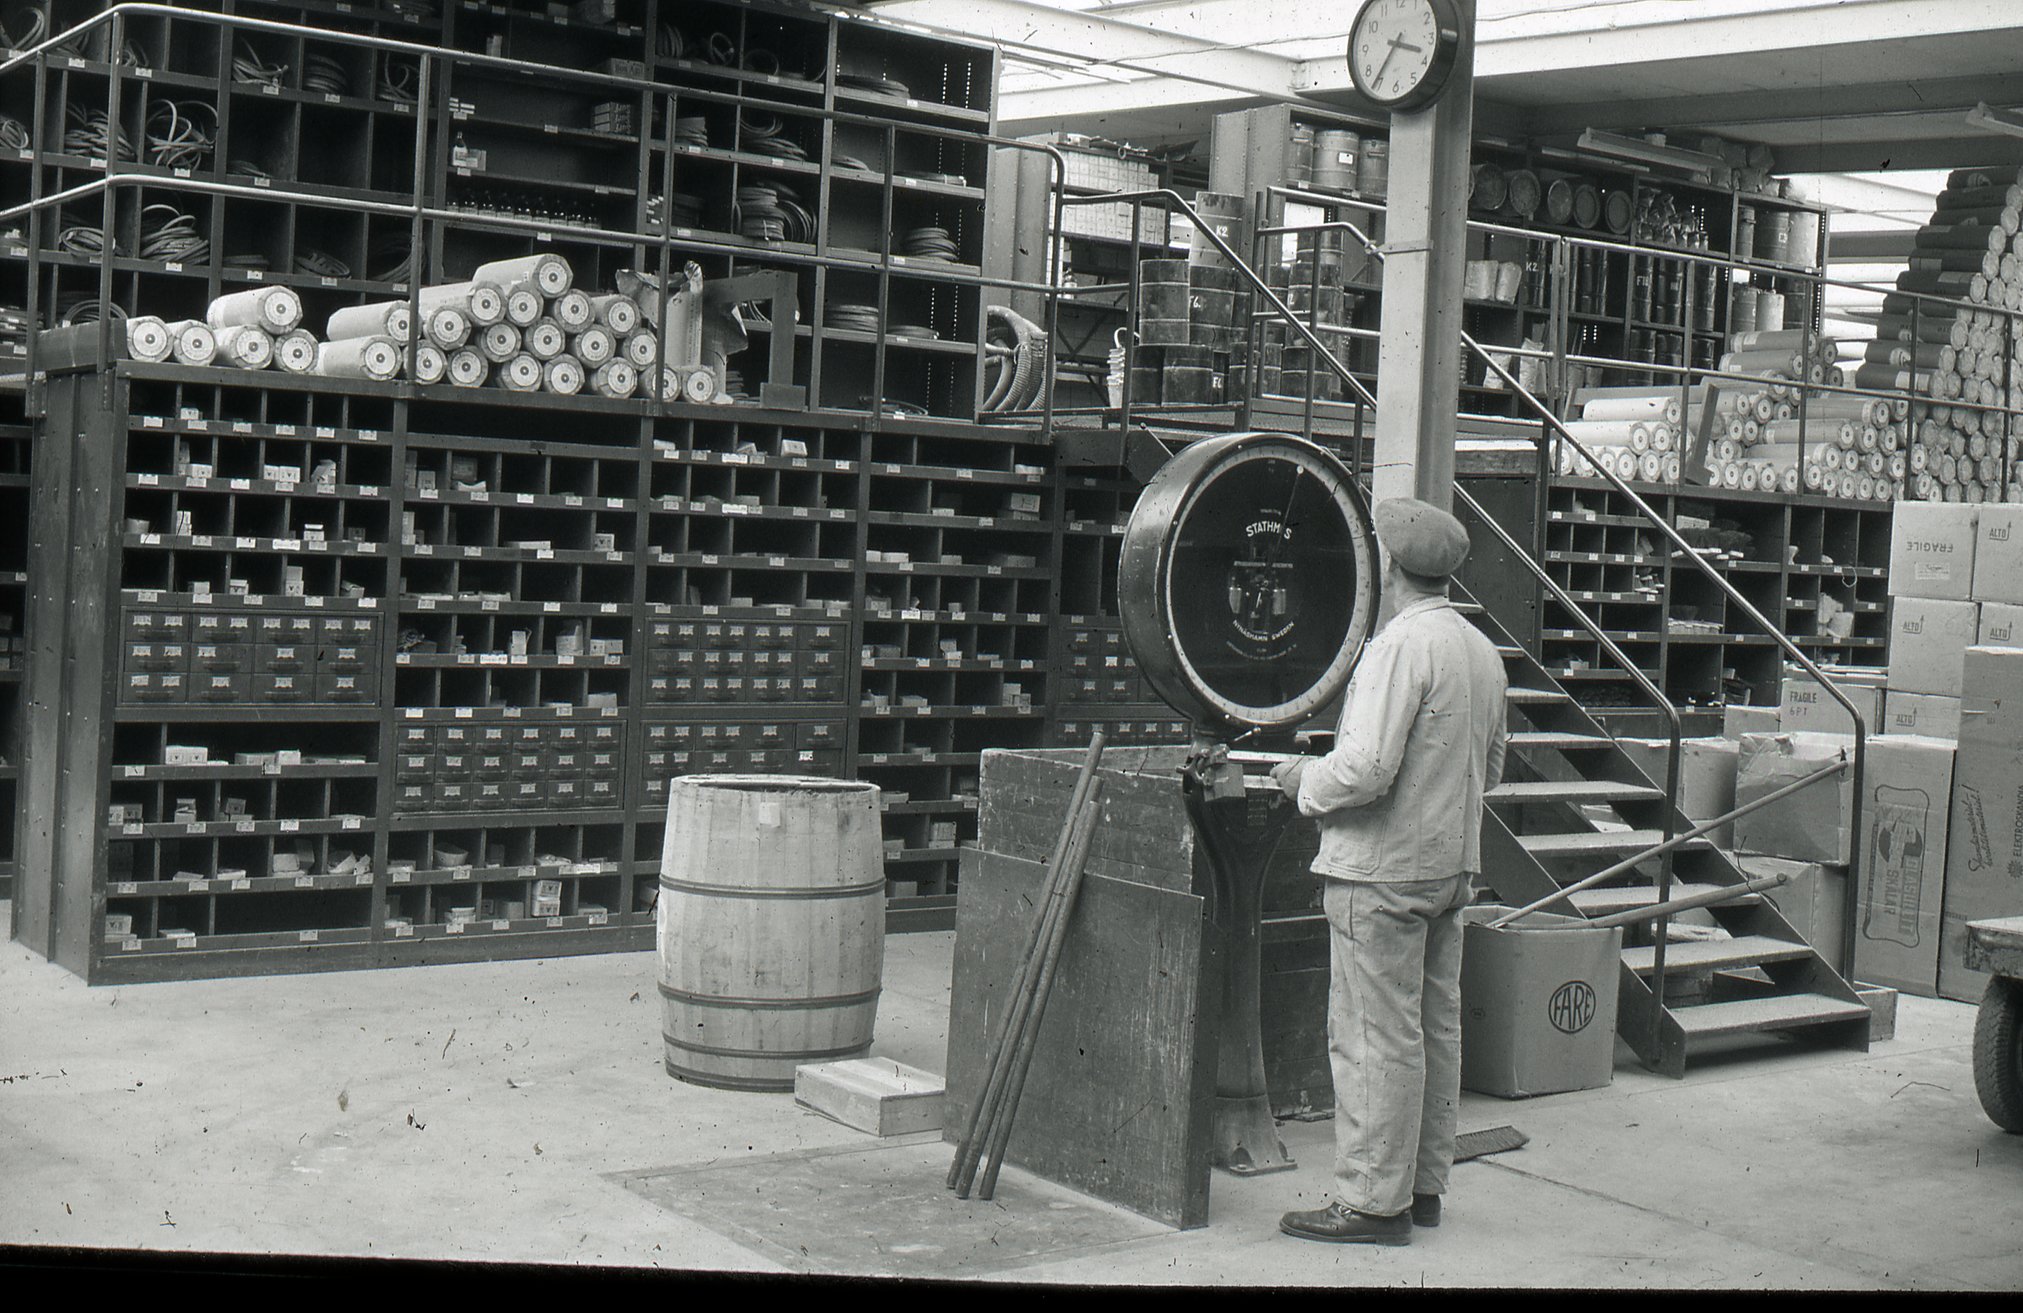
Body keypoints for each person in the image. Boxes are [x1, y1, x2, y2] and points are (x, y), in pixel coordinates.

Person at [1270, 496, 1508, 1246]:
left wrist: (1299, 779)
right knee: (1431, 1031)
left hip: (1380, 874)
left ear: (1390, 567)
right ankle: (1421, 1187)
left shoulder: (1400, 645)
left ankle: (1372, 1204)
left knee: (1373, 1036)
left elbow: (1366, 767)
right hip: (1448, 869)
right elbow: (1490, 770)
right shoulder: (1479, 649)